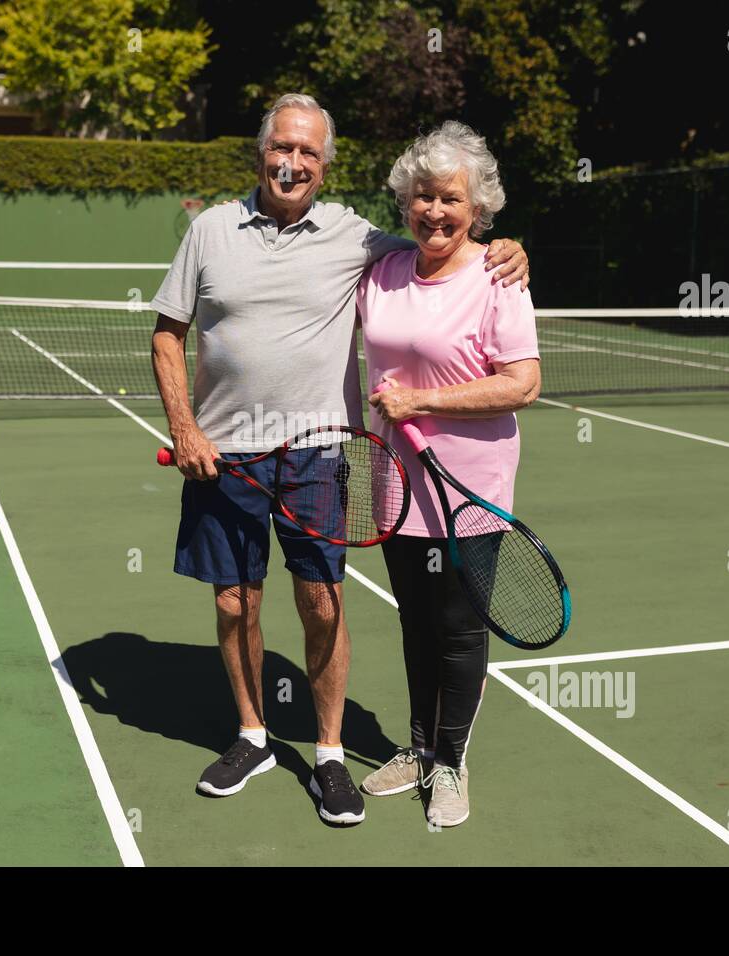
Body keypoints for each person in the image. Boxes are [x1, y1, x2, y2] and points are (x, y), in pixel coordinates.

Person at [149, 95, 529, 826]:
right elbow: (167, 333)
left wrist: (509, 247)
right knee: (235, 601)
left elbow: (445, 241)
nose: (292, 162)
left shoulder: (358, 238)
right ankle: (253, 735)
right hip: (224, 454)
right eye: (280, 148)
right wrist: (185, 428)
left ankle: (328, 754)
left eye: (308, 152)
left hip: (321, 452)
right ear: (261, 151)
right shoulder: (209, 231)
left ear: (326, 165)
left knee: (322, 600)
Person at [359, 121, 541, 828]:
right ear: (407, 200)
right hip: (397, 482)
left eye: (451, 199)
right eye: (424, 196)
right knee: (415, 624)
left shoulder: (498, 275)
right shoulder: (382, 270)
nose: (435, 211)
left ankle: (451, 760)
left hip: (470, 490)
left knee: (460, 629)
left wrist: (423, 399)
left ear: (478, 209)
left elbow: (523, 383)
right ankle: (418, 746)